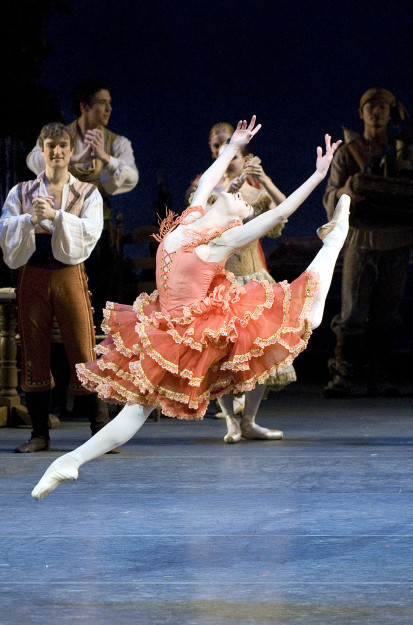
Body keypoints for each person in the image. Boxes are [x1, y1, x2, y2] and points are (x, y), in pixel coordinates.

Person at [31, 116, 349, 501]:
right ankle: (69, 462)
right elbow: (214, 179)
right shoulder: (201, 221)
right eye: (237, 197)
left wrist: (316, 177)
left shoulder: (207, 231)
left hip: (185, 330)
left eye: (243, 202)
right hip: (182, 333)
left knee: (305, 313)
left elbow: (278, 214)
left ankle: (336, 237)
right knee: (135, 412)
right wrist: (233, 145)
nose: (239, 195)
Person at [0, 122, 107, 453]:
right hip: (33, 274)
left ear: (71, 151)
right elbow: (3, 229)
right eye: (50, 146)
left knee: (83, 350)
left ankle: (100, 432)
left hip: (68, 273)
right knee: (34, 352)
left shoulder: (87, 193)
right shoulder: (21, 192)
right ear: (40, 149)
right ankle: (40, 434)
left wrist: (58, 215)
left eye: (62, 145)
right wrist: (30, 219)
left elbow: (92, 231)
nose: (57, 151)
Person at [322, 88, 413, 398]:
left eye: (384, 106)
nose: (378, 111)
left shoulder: (405, 150)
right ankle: (343, 376)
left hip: (396, 239)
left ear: (391, 112)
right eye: (371, 105)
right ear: (361, 112)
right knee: (353, 311)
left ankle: (378, 375)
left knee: (387, 312)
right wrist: (346, 190)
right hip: (361, 238)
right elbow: (330, 196)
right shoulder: (349, 152)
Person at [26, 79, 139, 321]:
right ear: (84, 106)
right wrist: (73, 159)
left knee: (97, 287)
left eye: (110, 103)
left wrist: (104, 157)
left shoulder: (115, 142)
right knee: (63, 289)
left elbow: (131, 178)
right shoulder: (60, 136)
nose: (108, 109)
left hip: (96, 227)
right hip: (62, 224)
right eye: (102, 103)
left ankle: (96, 340)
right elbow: (33, 160)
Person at [209, 142, 295, 443]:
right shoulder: (210, 192)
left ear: (244, 159)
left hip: (255, 280)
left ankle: (249, 420)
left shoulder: (255, 195)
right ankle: (231, 422)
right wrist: (226, 189)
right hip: (223, 282)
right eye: (223, 157)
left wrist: (265, 178)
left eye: (233, 156)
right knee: (219, 356)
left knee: (261, 352)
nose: (228, 162)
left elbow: (283, 208)